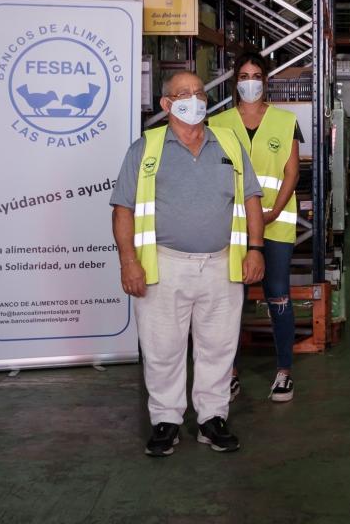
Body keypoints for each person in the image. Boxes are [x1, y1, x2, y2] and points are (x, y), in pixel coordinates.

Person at [110, 71, 265, 457]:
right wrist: (129, 262)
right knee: (163, 347)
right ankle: (166, 421)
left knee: (219, 346)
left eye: (199, 93)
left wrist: (256, 249)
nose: (194, 100)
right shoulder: (146, 148)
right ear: (166, 105)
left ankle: (213, 419)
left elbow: (250, 200)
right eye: (184, 94)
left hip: (221, 264)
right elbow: (123, 209)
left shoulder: (227, 143)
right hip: (164, 265)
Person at [211, 52, 303, 403]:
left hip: (275, 223)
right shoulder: (218, 123)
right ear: (236, 81)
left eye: (256, 75)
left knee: (277, 293)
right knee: (229, 298)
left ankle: (284, 371)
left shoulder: (285, 120)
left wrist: (273, 212)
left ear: (266, 81)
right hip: (232, 228)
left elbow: (292, 172)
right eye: (244, 75)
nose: (250, 81)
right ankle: (229, 373)